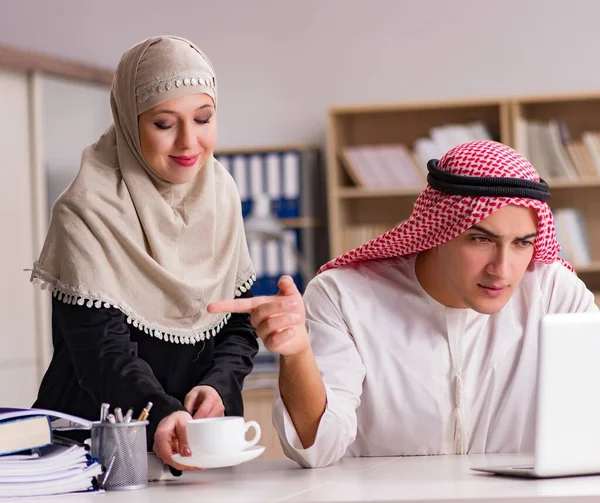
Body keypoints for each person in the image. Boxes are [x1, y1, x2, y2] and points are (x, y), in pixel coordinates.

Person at [208, 140, 599, 468]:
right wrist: (296, 355)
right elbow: (316, 449)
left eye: (522, 243)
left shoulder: (553, 293)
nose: (503, 268)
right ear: (438, 229)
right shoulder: (344, 296)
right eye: (480, 239)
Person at [30, 36, 258, 470]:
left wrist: (218, 386)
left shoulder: (221, 193)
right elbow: (100, 351)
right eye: (164, 124)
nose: (189, 142)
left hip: (196, 448)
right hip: (93, 452)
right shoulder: (87, 207)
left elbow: (236, 323)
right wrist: (159, 409)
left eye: (204, 118)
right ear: (130, 121)